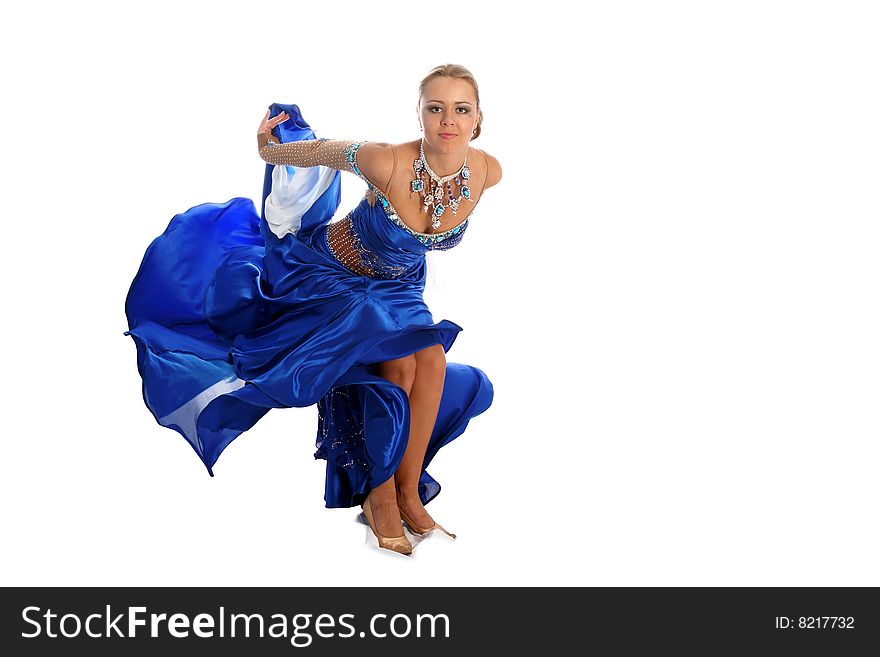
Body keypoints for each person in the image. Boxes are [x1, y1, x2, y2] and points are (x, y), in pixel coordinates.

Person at [123, 63, 502, 556]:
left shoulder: (488, 171)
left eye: (460, 109)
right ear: (419, 115)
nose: (447, 120)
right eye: (435, 108)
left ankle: (409, 490)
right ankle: (380, 494)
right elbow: (318, 151)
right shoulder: (384, 160)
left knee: (430, 359)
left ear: (478, 118)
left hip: (400, 282)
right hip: (331, 272)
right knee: (396, 359)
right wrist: (267, 150)